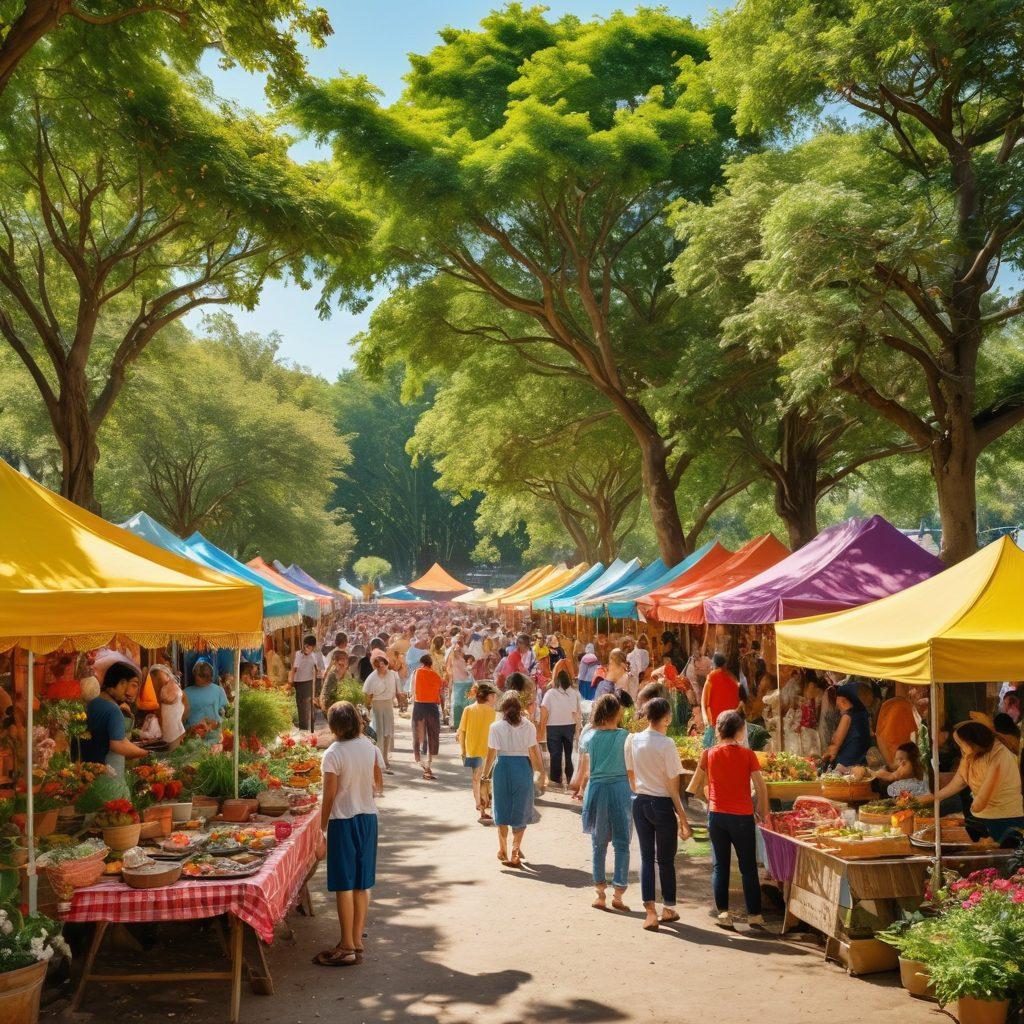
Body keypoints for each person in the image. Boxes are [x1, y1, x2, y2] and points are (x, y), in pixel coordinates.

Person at [315, 701, 384, 968]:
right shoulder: (369, 746)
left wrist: (321, 828)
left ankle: (346, 946)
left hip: (343, 821)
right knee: (361, 884)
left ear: (333, 726)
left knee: (344, 884)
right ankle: (356, 940)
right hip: (368, 819)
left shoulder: (333, 753)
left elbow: (329, 795)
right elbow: (378, 785)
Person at [693, 710, 769, 929]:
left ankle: (724, 914)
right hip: (742, 817)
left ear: (718, 730)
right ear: (740, 730)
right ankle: (754, 915)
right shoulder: (748, 755)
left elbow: (696, 786)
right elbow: (761, 787)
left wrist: (710, 800)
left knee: (720, 867)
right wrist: (763, 814)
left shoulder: (708, 754)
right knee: (748, 868)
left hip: (717, 817)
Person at [627, 697, 692, 930]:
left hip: (640, 801)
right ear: (666, 717)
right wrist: (683, 819)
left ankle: (650, 912)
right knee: (665, 860)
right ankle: (668, 908)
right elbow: (673, 788)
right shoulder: (667, 744)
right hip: (662, 804)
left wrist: (641, 791)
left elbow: (631, 775)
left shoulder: (633, 739)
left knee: (646, 857)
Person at [920, 721, 1024, 844]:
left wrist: (961, 815)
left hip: (1005, 821)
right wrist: (932, 798)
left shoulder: (1000, 755)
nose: (960, 749)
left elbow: (980, 803)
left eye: (961, 744)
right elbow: (959, 782)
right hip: (982, 818)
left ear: (973, 743)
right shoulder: (970, 755)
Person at [574, 693, 632, 913]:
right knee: (622, 842)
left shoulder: (590, 736)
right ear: (617, 713)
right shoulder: (626, 736)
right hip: (620, 789)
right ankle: (618, 894)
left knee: (598, 843)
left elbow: (583, 769)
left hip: (596, 789)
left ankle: (600, 893)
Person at [483, 691, 545, 868]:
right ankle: (515, 851)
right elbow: (534, 752)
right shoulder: (529, 726)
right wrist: (540, 772)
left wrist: (485, 775)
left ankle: (502, 848)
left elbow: (491, 754)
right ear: (520, 708)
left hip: (502, 767)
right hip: (522, 768)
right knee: (521, 808)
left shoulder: (495, 727)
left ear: (503, 709)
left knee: (501, 807)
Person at [78, 663, 148, 775]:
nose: (134, 692)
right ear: (122, 683)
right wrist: (145, 753)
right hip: (109, 774)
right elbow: (118, 745)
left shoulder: (93, 703)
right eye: (134, 685)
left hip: (88, 771)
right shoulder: (113, 710)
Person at [458, 682, 498, 822]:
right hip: (489, 751)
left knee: (476, 779)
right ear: (489, 697)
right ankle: (484, 807)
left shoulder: (468, 710)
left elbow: (462, 731)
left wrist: (463, 750)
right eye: (494, 696)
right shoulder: (493, 713)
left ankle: (480, 807)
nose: (495, 699)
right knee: (485, 780)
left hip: (472, 750)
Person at [540, 667, 582, 791]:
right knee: (569, 755)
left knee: (555, 755)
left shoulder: (550, 694)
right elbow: (578, 713)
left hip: (553, 727)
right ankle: (570, 779)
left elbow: (544, 711)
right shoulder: (575, 693)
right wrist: (578, 730)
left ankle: (555, 780)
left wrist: (542, 728)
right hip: (569, 726)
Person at [821, 681, 872, 769]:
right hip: (860, 763)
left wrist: (824, 757)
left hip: (846, 763)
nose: (837, 705)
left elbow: (836, 743)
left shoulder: (847, 717)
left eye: (838, 700)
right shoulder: (864, 715)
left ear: (844, 701)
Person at [363, 653, 399, 774]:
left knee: (388, 731)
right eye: (378, 666)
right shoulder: (372, 677)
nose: (381, 668)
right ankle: (379, 760)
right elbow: (368, 694)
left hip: (388, 704)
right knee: (379, 732)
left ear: (386, 664)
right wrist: (368, 707)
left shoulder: (392, 675)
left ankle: (385, 757)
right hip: (377, 704)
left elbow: (397, 691)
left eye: (383, 665)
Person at [410, 654, 444, 780]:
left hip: (419, 706)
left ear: (421, 663)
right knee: (432, 736)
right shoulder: (436, 676)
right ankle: (429, 764)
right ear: (431, 664)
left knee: (419, 735)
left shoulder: (417, 672)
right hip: (432, 707)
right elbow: (440, 693)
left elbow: (412, 690)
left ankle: (422, 764)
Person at [183, 661, 229, 744]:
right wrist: (190, 729)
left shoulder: (219, 691)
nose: (195, 677)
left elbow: (226, 713)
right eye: (195, 674)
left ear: (208, 676)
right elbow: (181, 718)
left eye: (198, 675)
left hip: (215, 737)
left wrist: (216, 724)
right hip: (193, 738)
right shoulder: (185, 693)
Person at [701, 653, 741, 747]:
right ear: (725, 664)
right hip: (731, 723)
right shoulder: (733, 678)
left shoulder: (711, 677)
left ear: (713, 664)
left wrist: (705, 717)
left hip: (715, 723)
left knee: (710, 749)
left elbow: (704, 701)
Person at [289, 634, 324, 733]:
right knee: (301, 707)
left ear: (313, 647)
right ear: (304, 645)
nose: (307, 649)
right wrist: (290, 683)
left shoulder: (315, 655)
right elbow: (294, 669)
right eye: (306, 646)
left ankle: (306, 729)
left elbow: (318, 670)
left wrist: (318, 683)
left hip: (309, 683)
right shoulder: (298, 654)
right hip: (298, 683)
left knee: (307, 707)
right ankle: (303, 728)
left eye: (310, 647)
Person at [153, 665, 186, 749]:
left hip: (173, 731)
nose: (156, 682)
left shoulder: (170, 688)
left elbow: (185, 708)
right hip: (172, 730)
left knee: (173, 752)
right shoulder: (167, 688)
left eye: (158, 679)